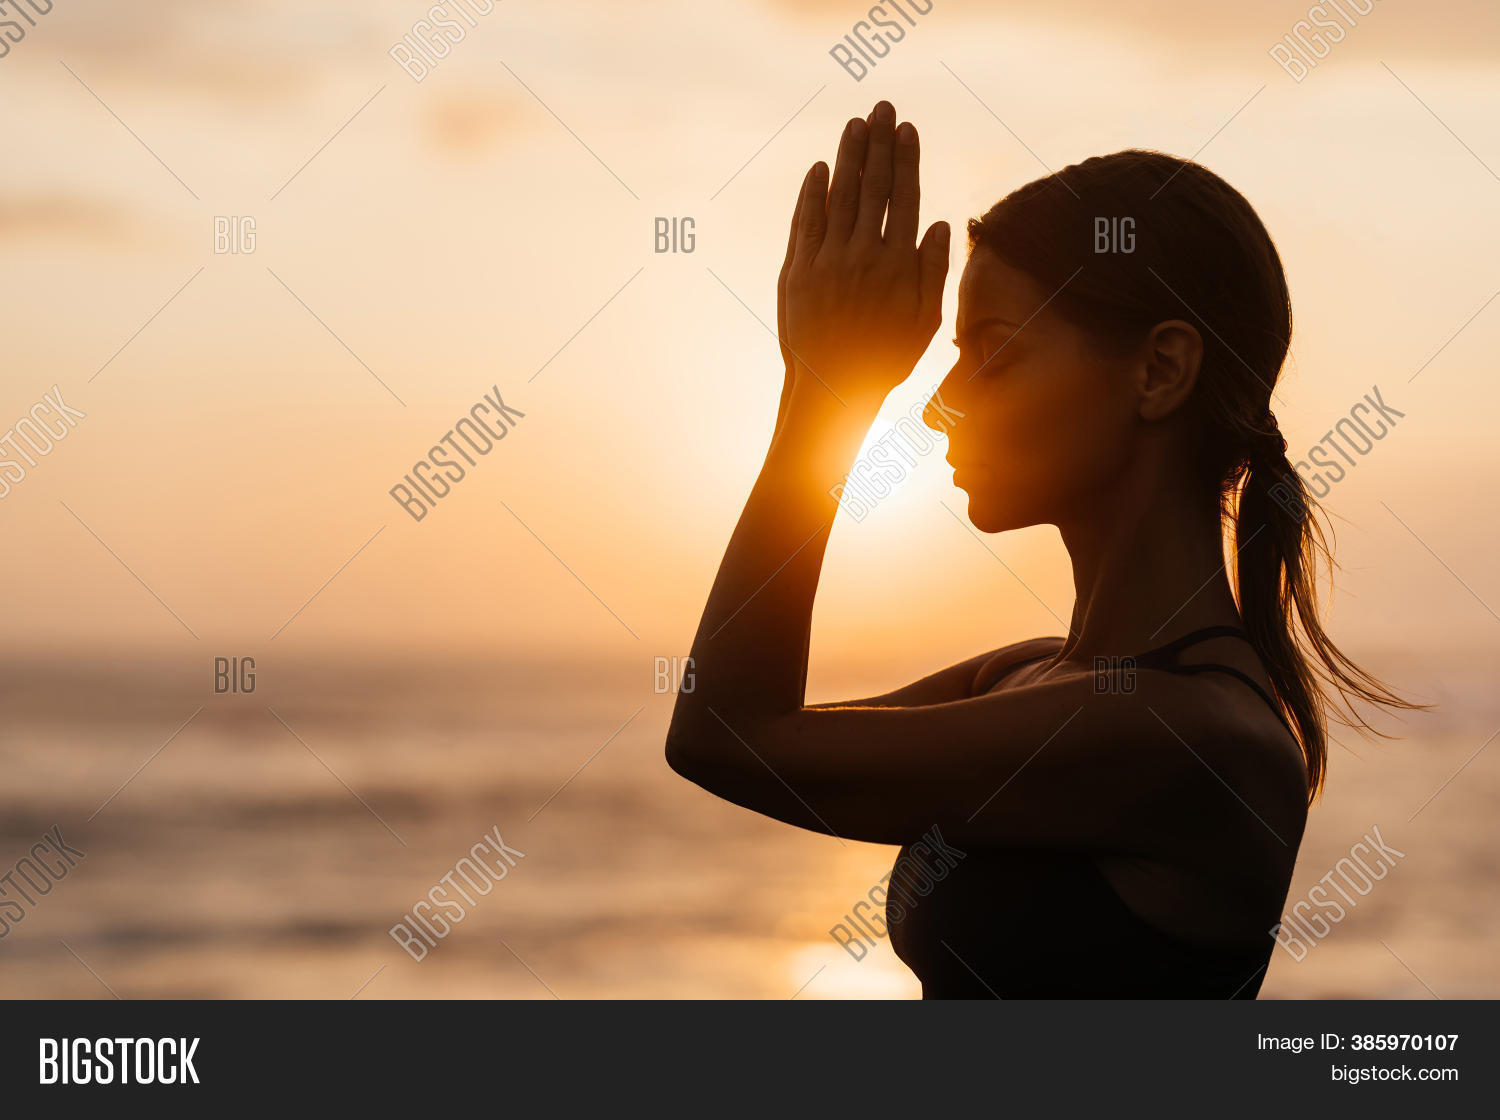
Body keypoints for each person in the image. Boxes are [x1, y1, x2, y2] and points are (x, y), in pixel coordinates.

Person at [665, 100, 1416, 998]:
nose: (944, 400)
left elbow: (728, 738)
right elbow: (744, 730)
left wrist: (825, 394)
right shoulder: (1021, 678)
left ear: (1159, 372)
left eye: (994, 350)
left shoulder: (1195, 736)